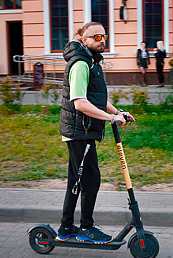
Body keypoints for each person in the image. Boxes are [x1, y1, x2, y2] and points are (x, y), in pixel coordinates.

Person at [58, 22, 135, 243]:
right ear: (84, 40)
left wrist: (117, 111)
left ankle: (66, 228)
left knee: (77, 179)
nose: (102, 40)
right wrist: (111, 118)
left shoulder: (91, 62)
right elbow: (80, 103)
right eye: (96, 37)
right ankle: (86, 229)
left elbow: (96, 98)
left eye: (104, 36)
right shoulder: (81, 64)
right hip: (80, 130)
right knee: (90, 179)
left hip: (83, 129)